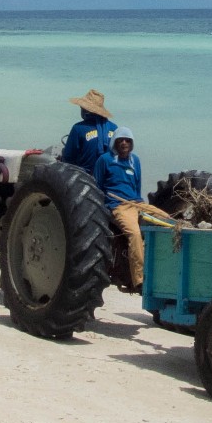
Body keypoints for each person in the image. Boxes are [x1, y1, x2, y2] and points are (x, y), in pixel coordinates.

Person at [93, 127, 147, 291]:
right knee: (135, 234)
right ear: (114, 142)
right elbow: (97, 187)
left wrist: (140, 205)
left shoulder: (135, 161)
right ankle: (139, 280)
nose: (124, 143)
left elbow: (137, 187)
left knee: (168, 221)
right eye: (121, 140)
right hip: (118, 206)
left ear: (132, 143)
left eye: (127, 140)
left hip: (136, 203)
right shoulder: (105, 160)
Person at [60, 88, 117, 170]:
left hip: (86, 176)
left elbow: (68, 157)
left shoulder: (78, 128)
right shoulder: (114, 128)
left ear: (86, 110)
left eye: (81, 107)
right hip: (109, 175)